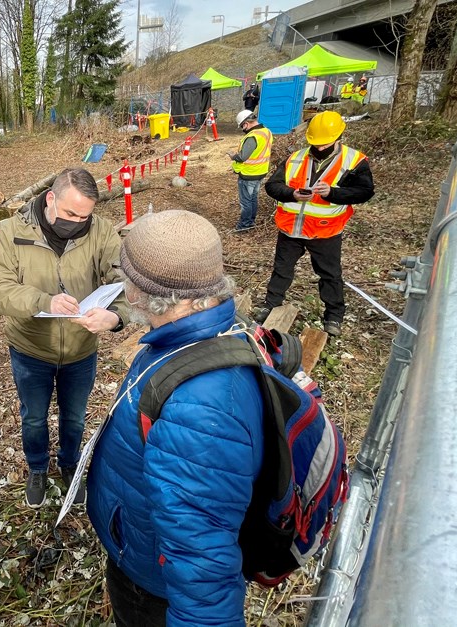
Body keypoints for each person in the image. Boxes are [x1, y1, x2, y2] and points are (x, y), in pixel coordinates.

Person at [86, 210, 263, 626]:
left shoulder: (199, 410)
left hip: (153, 587)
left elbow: (203, 560)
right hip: (140, 545)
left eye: (124, 273)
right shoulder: (201, 334)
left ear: (137, 292)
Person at [0, 168, 127, 508]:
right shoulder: (11, 232)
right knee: (33, 416)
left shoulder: (102, 232)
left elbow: (123, 278)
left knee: (74, 416)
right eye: (70, 213)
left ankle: (70, 465)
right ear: (50, 198)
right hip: (31, 348)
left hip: (80, 349)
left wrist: (116, 316)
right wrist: (43, 301)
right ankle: (37, 468)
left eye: (85, 216)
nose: (78, 222)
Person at [254, 110, 375, 336]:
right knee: (281, 270)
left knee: (330, 274)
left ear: (339, 137)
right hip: (291, 229)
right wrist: (292, 194)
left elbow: (364, 192)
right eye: (315, 144)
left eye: (324, 144)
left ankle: (334, 316)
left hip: (325, 231)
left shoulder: (354, 161)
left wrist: (333, 194)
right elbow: (273, 186)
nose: (319, 148)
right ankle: (270, 305)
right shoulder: (296, 158)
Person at [228, 110, 273, 232]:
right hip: (260, 171)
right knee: (253, 199)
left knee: (246, 202)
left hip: (249, 174)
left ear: (246, 123)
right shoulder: (266, 132)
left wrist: (233, 156)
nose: (243, 129)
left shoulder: (253, 136)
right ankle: (251, 221)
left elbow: (243, 157)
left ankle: (245, 225)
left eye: (242, 126)